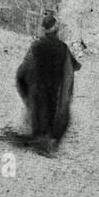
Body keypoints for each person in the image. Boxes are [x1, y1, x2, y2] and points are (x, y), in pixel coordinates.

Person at [15, 11, 82, 154]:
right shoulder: (62, 47)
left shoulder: (36, 46)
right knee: (57, 110)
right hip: (57, 86)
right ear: (56, 30)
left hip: (40, 86)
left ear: (44, 30)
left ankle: (43, 136)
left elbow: (25, 67)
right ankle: (52, 141)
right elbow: (74, 65)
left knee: (42, 110)